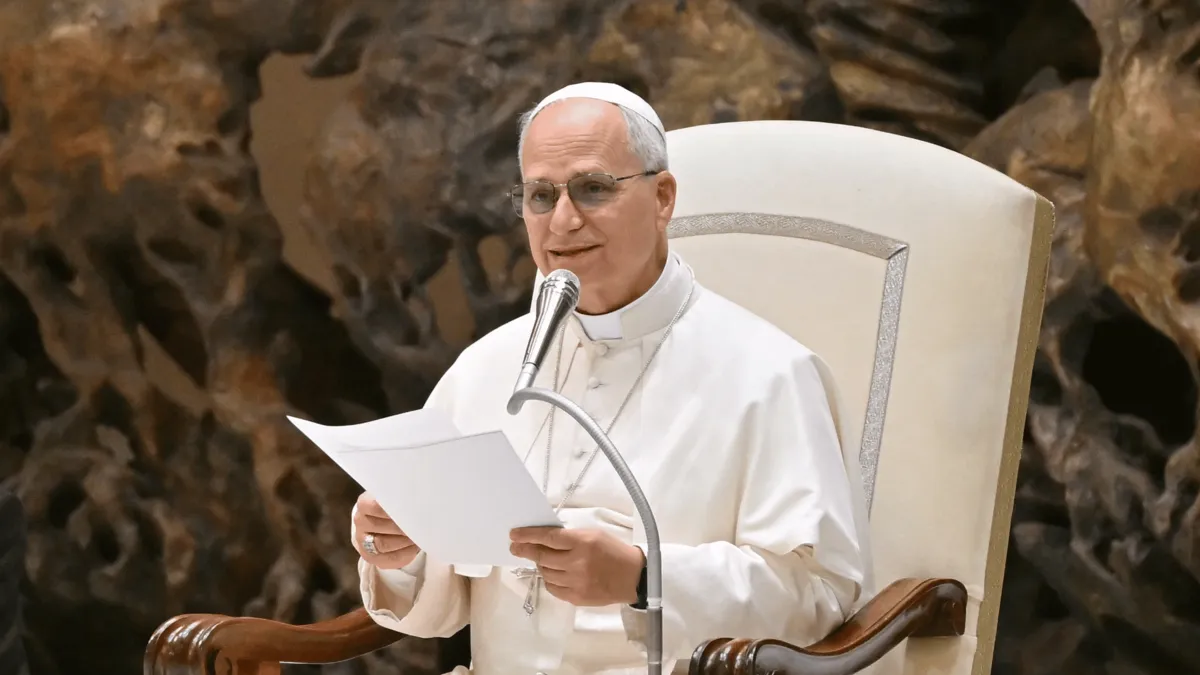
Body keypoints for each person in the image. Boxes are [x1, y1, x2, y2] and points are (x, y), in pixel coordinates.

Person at [351, 82, 871, 675]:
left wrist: (644, 578)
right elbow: (440, 604)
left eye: (593, 189)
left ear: (662, 198)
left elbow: (819, 598)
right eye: (541, 196)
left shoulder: (768, 373)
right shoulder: (486, 367)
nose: (563, 221)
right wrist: (402, 550)